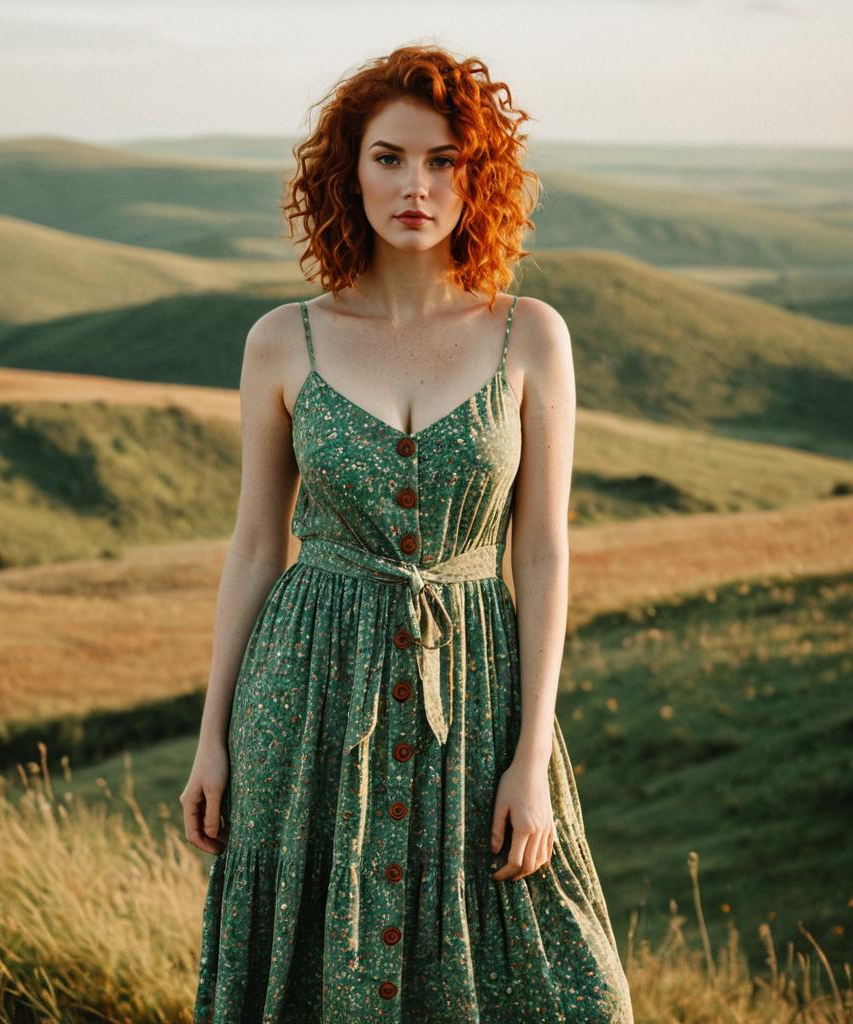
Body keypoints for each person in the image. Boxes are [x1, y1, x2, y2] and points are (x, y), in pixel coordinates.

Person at [181, 43, 634, 1023]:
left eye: (442, 162)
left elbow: (543, 551)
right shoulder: (282, 339)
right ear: (348, 171)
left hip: (475, 689)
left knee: (576, 990)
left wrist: (530, 754)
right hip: (305, 697)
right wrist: (212, 737)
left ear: (479, 178)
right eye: (388, 157)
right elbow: (258, 545)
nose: (415, 185)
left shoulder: (529, 335)